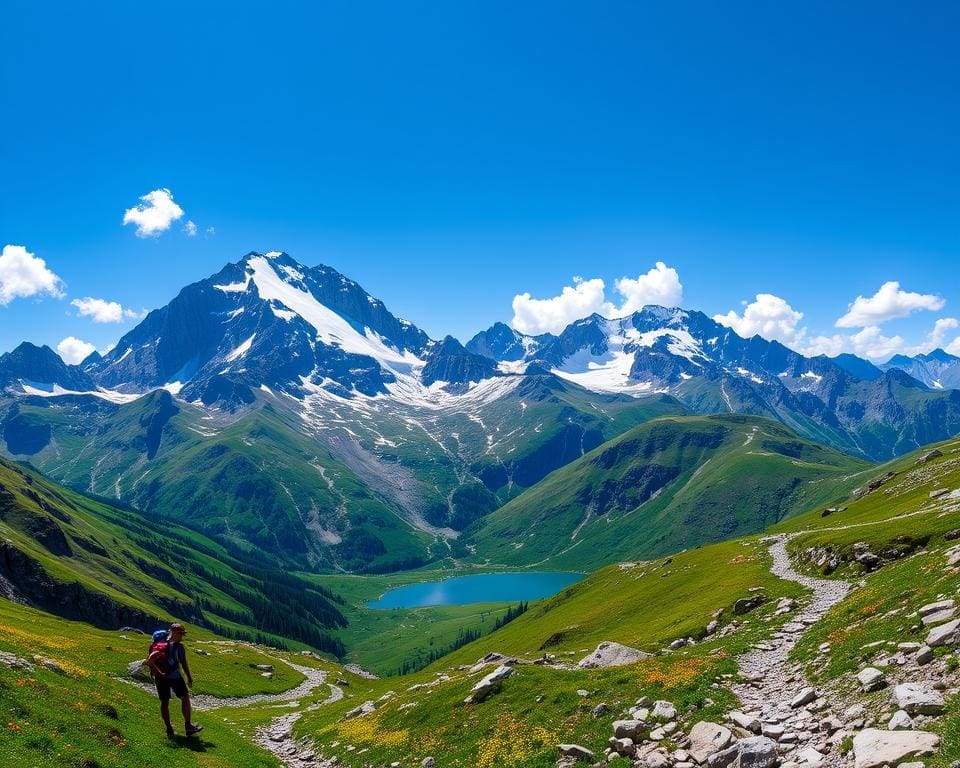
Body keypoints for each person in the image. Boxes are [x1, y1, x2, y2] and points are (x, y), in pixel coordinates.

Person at [147, 622, 203, 738]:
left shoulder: (160, 644)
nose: (182, 636)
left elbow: (151, 660)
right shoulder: (172, 646)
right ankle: (187, 726)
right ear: (174, 633)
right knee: (184, 697)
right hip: (174, 676)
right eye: (180, 634)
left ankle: (169, 729)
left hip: (161, 677)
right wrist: (188, 677)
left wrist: (158, 673)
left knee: (164, 701)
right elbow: (183, 663)